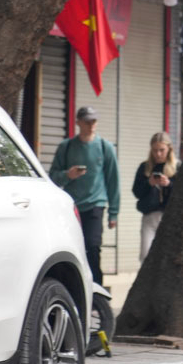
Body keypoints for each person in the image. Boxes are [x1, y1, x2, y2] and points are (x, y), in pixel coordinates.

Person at [50, 106, 120, 285]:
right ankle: (75, 287)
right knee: (72, 249)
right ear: (78, 122)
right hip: (72, 206)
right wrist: (68, 175)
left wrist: (113, 212)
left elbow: (113, 181)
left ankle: (97, 293)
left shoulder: (105, 147)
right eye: (87, 121)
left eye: (94, 121)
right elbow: (52, 176)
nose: (91, 125)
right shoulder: (66, 147)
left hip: (95, 204)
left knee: (93, 246)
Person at [132, 132, 178, 262]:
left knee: (167, 257)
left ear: (169, 149)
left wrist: (169, 184)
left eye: (161, 150)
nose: (158, 154)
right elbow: (136, 192)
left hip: (169, 217)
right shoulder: (145, 167)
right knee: (145, 255)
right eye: (155, 150)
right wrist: (149, 183)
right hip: (150, 215)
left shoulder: (177, 166)